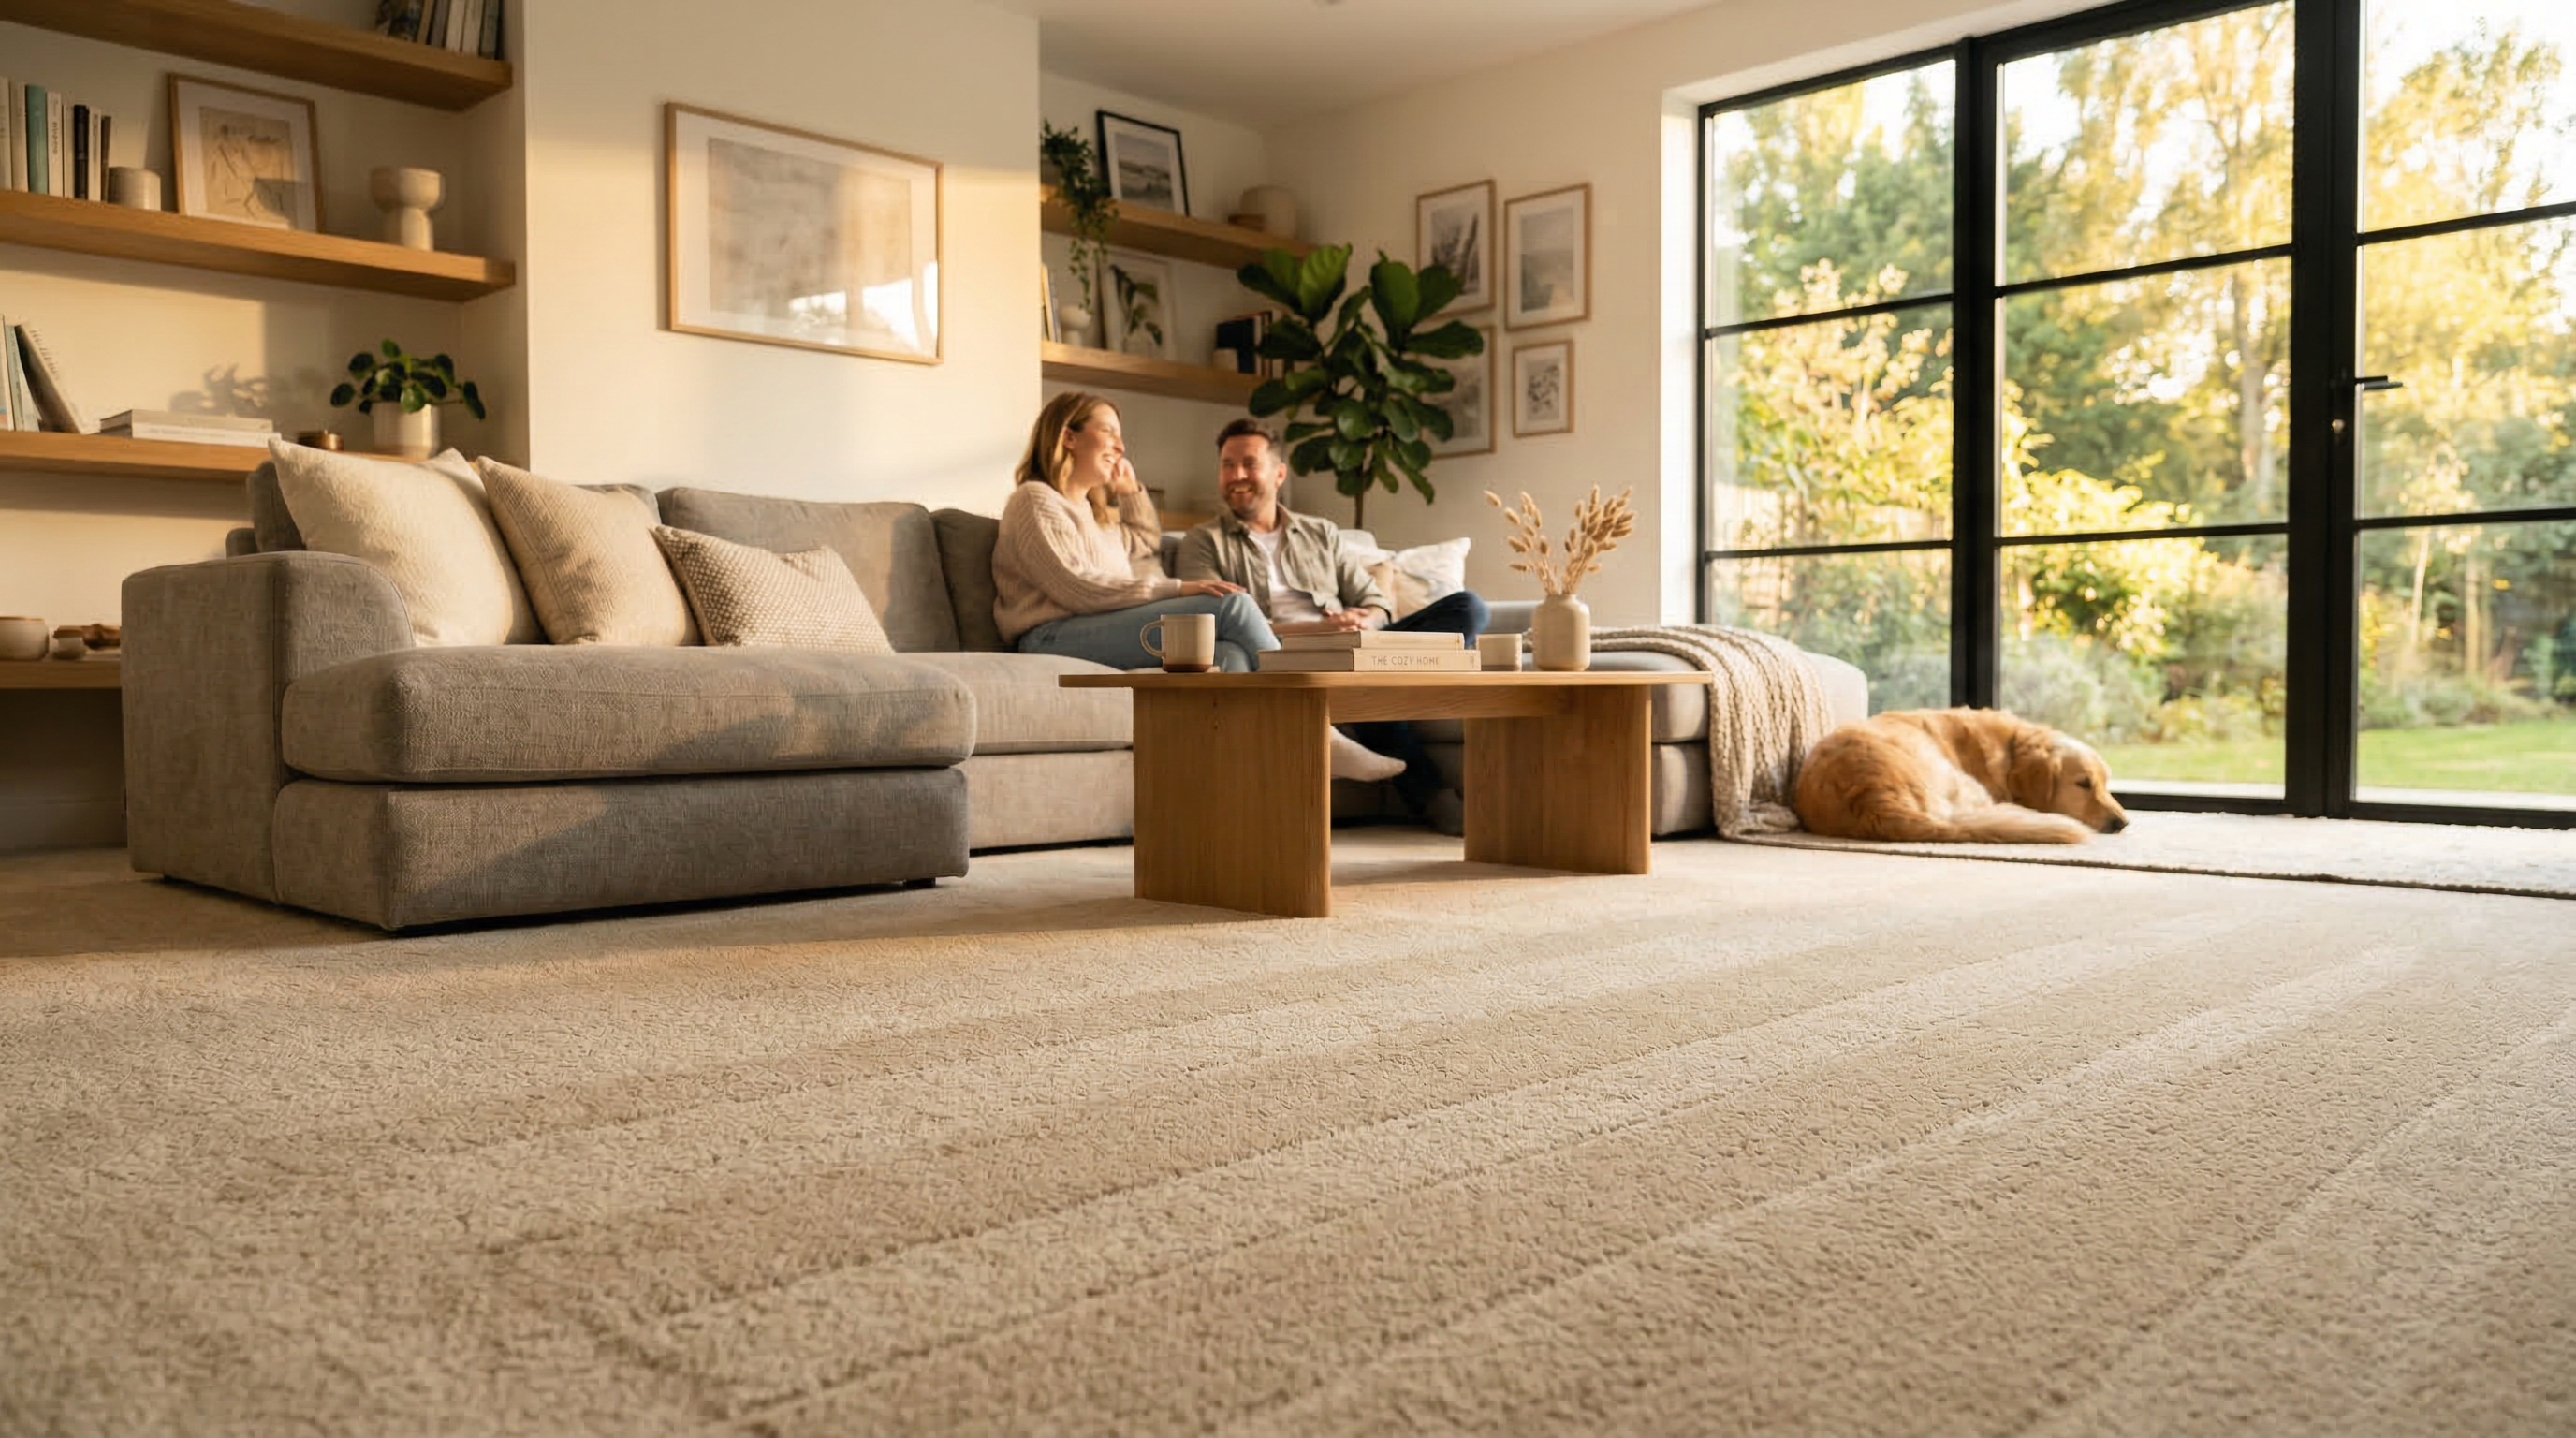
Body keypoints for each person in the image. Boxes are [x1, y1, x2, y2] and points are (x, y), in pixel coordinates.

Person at [994, 393, 1416, 782]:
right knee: (1232, 606)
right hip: (1051, 636)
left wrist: (1130, 492)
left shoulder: (1091, 513)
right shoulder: (1035, 500)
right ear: (1068, 436)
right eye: (1109, 432)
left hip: (1094, 629)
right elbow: (1078, 590)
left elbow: (1143, 540)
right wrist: (1177, 589)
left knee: (1227, 654)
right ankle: (1320, 732)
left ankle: (1222, 775)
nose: (1121, 447)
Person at [1177, 418, 1491, 829]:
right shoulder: (1203, 542)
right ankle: (1430, 792)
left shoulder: (1320, 533)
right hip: (1283, 653)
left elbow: (1376, 600)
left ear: (1278, 473)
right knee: (1357, 673)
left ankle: (1383, 671)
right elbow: (1220, 624)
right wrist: (1323, 634)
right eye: (1227, 465)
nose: (1236, 476)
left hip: (1355, 645)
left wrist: (1367, 621)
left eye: (1249, 464)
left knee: (1468, 607)